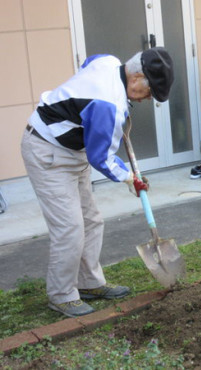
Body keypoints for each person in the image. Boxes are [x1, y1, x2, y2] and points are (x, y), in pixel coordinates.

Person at [20, 47, 174, 318]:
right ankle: (61, 295)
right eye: (149, 94)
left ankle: (89, 283)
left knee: (92, 221)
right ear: (136, 78)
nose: (145, 100)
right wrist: (129, 177)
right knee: (69, 227)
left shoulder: (109, 62)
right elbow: (100, 157)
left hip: (73, 149)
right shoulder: (108, 104)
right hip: (48, 150)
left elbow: (88, 63)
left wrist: (81, 107)